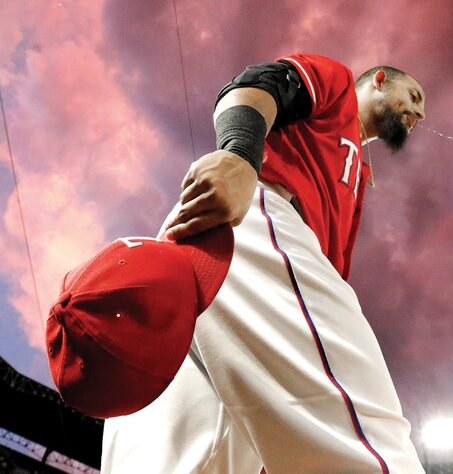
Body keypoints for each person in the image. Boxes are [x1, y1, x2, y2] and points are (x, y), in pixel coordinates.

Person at [100, 53, 426, 473]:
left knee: (171, 463)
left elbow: (331, 269)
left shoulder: (359, 172)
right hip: (249, 222)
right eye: (413, 95)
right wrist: (240, 155)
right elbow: (258, 84)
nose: (418, 111)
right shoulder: (340, 86)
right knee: (363, 435)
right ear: (379, 81)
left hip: (229, 276)